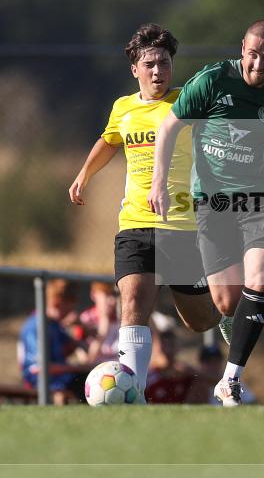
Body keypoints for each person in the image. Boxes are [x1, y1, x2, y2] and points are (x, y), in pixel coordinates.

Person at [147, 19, 264, 406]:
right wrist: (159, 182)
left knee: (260, 278)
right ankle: (258, 290)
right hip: (212, 204)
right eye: (252, 55)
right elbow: (169, 127)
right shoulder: (213, 80)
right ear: (242, 48)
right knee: (225, 303)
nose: (257, 64)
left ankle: (230, 380)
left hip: (258, 201)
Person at [68, 23, 221, 400]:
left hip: (183, 226)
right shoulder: (123, 108)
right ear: (134, 68)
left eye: (164, 63)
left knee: (201, 320)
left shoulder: (188, 101)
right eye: (150, 64)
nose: (158, 71)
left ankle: (233, 298)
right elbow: (109, 141)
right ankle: (132, 393)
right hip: (135, 223)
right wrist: (84, 174)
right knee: (133, 302)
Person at [17, 279, 90, 404]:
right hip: (40, 378)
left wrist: (81, 329)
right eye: (67, 310)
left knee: (88, 377)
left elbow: (70, 348)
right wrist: (74, 368)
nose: (69, 314)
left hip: (60, 376)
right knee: (82, 381)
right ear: (56, 304)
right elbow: (40, 367)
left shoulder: (55, 325)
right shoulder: (36, 326)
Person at [144, 327, 212, 404]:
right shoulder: (149, 376)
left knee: (200, 382)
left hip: (184, 412)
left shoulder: (186, 372)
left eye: (172, 345)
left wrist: (194, 372)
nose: (168, 349)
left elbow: (214, 379)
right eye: (165, 345)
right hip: (155, 414)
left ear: (177, 347)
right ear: (157, 347)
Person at [78, 281, 121, 364]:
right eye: (107, 295)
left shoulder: (122, 320)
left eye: (115, 295)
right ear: (94, 295)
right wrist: (104, 323)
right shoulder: (85, 320)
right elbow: (88, 361)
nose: (112, 301)